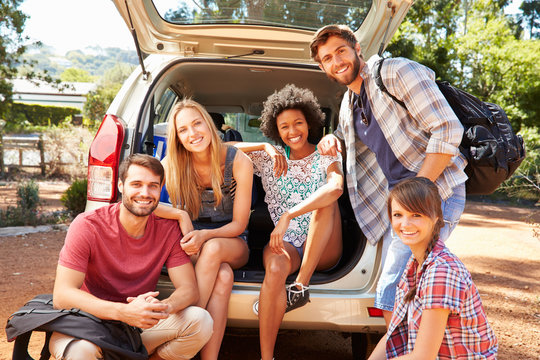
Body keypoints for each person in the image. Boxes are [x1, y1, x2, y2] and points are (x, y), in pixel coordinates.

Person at [310, 24, 468, 325]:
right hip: (397, 203)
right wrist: (334, 140)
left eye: (341, 51)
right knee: (405, 288)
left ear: (357, 48)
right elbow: (349, 139)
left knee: (392, 289)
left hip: (434, 193)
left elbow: (448, 128)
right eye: (327, 58)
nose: (337, 61)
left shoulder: (395, 72)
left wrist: (419, 190)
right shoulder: (349, 102)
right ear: (322, 66)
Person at [50, 154, 213, 360]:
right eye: (136, 184)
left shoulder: (168, 229)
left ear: (161, 187)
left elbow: (189, 290)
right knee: (82, 353)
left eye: (153, 186)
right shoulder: (87, 225)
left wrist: (162, 308)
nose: (145, 193)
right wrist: (123, 312)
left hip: (135, 328)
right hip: (87, 324)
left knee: (200, 321)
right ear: (121, 185)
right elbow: (62, 295)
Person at [233, 84, 343, 360]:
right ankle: (266, 357)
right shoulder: (270, 159)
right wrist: (264, 147)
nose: (292, 131)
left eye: (298, 123)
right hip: (289, 243)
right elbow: (220, 146)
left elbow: (336, 188)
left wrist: (289, 215)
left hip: (324, 245)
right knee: (275, 267)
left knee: (325, 201)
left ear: (310, 123)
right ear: (275, 129)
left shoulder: (325, 153)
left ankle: (300, 286)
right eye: (284, 127)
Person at [154, 99, 252, 360]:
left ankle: (183, 329)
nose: (192, 133)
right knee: (223, 279)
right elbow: (141, 200)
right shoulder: (172, 162)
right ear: (178, 137)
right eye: (183, 129)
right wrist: (179, 214)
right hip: (192, 244)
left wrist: (205, 235)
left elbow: (239, 224)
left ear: (209, 125)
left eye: (197, 124)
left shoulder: (238, 161)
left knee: (214, 249)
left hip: (232, 240)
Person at [368, 177, 497, 359]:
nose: (405, 224)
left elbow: (423, 357)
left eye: (416, 215)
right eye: (398, 215)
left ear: (436, 217)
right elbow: (393, 333)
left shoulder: (441, 272)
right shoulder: (415, 264)